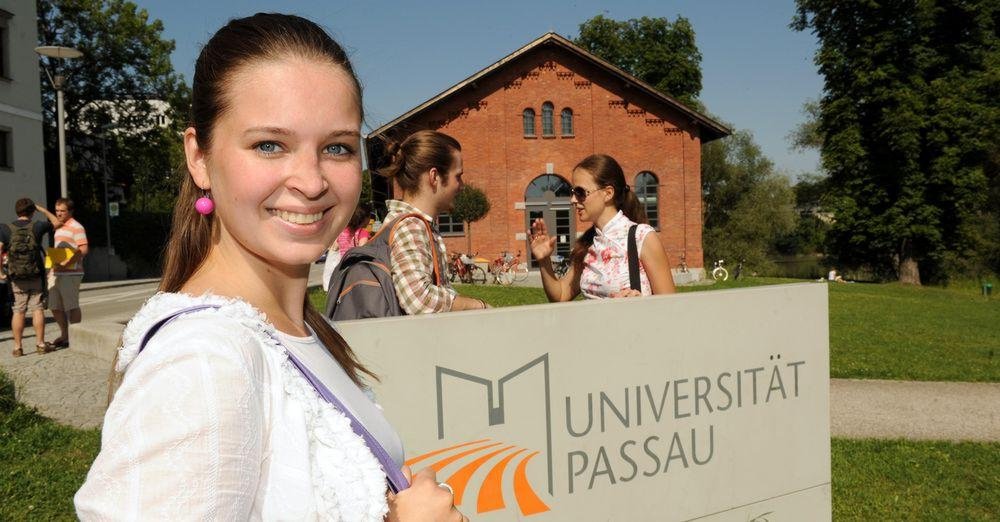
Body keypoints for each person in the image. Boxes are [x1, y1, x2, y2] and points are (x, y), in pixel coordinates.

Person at [75, 14, 466, 522]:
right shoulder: (203, 360)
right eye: (268, 145)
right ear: (199, 156)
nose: (310, 181)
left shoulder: (291, 329)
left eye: (337, 148)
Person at [530, 154, 676, 300]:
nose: (573, 200)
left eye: (580, 192)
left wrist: (641, 302)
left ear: (608, 193)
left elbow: (670, 307)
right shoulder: (587, 244)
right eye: (573, 192)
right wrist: (544, 260)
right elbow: (561, 295)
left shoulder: (642, 237)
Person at [380, 130, 487, 313]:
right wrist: (479, 306)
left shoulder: (406, 222)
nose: (461, 186)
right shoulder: (411, 226)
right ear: (434, 177)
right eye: (458, 176)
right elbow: (419, 299)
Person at [0, 198, 61, 356]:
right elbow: (57, 222)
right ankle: (40, 344)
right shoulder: (38, 226)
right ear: (32, 212)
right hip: (35, 274)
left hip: (16, 277)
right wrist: (42, 209)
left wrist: (1, 271)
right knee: (37, 309)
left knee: (18, 310)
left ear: (17, 211)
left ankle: (17, 347)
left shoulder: (5, 228)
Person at [49, 198, 88, 347]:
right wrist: (52, 267)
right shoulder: (58, 227)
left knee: (71, 305)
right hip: (56, 271)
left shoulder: (77, 227)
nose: (58, 214)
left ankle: (76, 335)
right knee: (54, 305)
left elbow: (83, 249)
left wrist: (67, 264)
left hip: (71, 273)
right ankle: (65, 335)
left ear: (70, 211)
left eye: (62, 211)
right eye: (57, 211)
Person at [323, 202, 372, 291]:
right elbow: (363, 249)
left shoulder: (342, 231)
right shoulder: (363, 232)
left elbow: (335, 246)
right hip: (357, 269)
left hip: (344, 267)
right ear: (365, 218)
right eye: (370, 216)